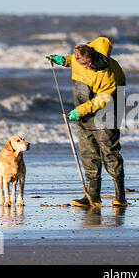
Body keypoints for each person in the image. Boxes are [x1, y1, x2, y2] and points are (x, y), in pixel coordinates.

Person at [47, 37, 127, 207]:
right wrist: (63, 60)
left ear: (95, 55)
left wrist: (79, 111)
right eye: (84, 65)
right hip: (84, 117)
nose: (88, 67)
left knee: (110, 154)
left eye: (90, 64)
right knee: (88, 156)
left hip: (106, 114)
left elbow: (101, 101)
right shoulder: (79, 61)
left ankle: (120, 197)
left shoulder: (108, 73)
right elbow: (74, 62)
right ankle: (92, 197)